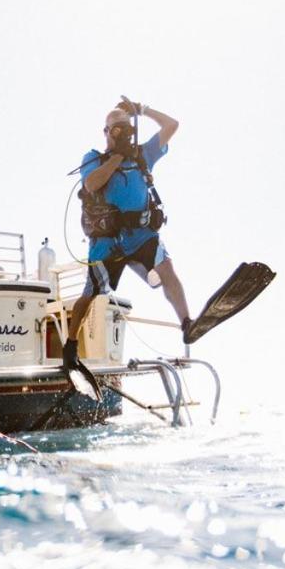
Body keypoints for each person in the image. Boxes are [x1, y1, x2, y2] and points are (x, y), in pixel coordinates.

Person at [63, 99, 190, 371]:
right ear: (106, 132)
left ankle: (187, 324)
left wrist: (142, 110)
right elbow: (91, 183)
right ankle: (70, 346)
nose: (122, 134)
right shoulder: (94, 158)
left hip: (142, 235)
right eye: (116, 129)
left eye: (126, 129)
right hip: (108, 241)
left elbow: (172, 125)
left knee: (167, 269)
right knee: (90, 294)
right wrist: (117, 156)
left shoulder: (143, 156)